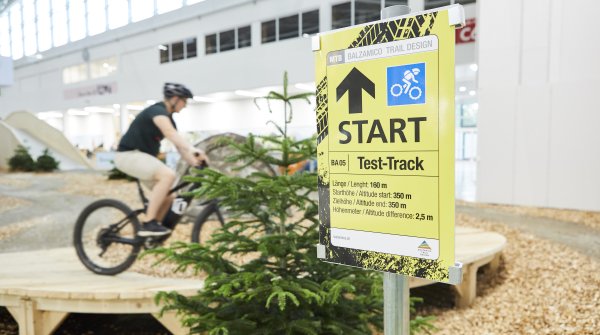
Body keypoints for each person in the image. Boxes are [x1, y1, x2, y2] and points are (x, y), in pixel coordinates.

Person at [114, 82, 207, 237]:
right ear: (175, 99)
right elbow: (170, 133)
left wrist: (196, 162)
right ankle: (149, 223)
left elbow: (180, 148)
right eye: (185, 101)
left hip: (140, 157)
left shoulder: (169, 118)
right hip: (128, 155)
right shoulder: (157, 111)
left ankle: (152, 233)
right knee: (168, 175)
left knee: (169, 196)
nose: (185, 105)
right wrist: (194, 149)